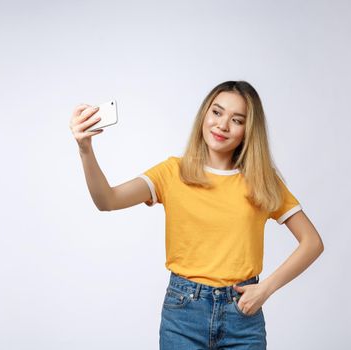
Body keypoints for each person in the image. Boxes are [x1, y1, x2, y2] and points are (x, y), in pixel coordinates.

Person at [69, 80, 324, 349]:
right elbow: (107, 200)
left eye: (237, 120)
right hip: (183, 314)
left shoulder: (261, 180)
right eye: (216, 112)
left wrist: (266, 288)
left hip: (242, 315)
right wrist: (85, 149)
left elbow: (312, 242)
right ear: (204, 114)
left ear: (249, 131)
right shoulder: (172, 173)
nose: (222, 125)